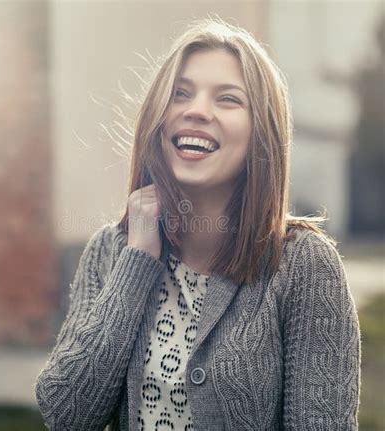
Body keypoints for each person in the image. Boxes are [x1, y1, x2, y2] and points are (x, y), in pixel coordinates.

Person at [35, 17, 361, 430]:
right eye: (180, 94)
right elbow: (66, 414)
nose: (196, 111)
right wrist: (137, 260)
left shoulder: (303, 265)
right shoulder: (110, 250)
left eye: (227, 99)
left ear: (262, 133)